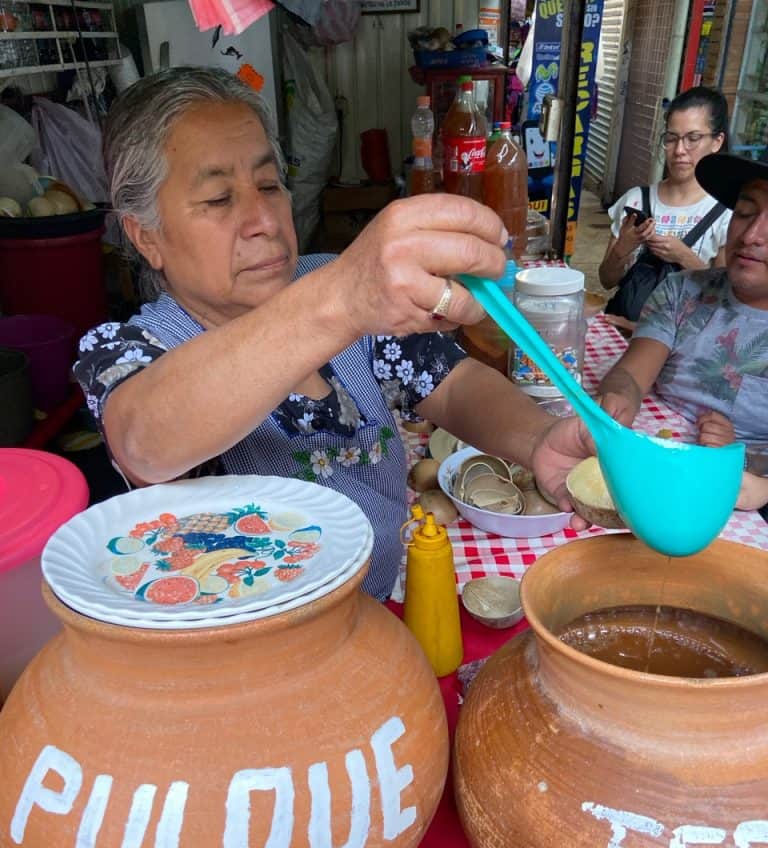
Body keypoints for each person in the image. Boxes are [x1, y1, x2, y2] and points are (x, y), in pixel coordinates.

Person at [74, 67, 594, 601]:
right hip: (262, 662)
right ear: (147, 236)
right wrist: (341, 298)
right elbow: (146, 442)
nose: (264, 220)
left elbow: (455, 386)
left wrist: (540, 442)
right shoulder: (129, 351)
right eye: (218, 199)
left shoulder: (339, 290)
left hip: (377, 617)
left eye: (270, 184)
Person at [597, 151, 768, 516]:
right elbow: (632, 372)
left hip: (745, 502)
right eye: (746, 212)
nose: (752, 235)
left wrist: (749, 465)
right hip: (659, 468)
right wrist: (618, 397)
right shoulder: (683, 291)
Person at [598, 86, 732, 331]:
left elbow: (725, 298)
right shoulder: (636, 200)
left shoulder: (727, 214)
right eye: (671, 138)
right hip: (620, 336)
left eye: (693, 138)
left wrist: (683, 256)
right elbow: (606, 280)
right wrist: (622, 250)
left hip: (685, 348)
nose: (679, 150)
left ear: (717, 141)